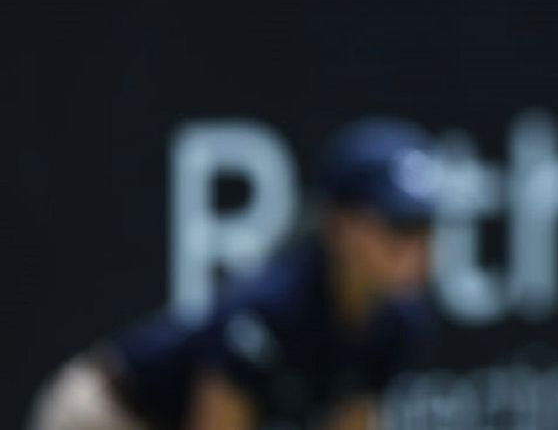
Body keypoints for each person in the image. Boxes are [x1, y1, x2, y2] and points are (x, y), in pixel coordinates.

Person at [28, 118, 442, 430]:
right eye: (399, 228)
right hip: (109, 412)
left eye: (427, 228)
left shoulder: (399, 323)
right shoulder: (272, 309)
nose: (417, 250)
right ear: (340, 227)